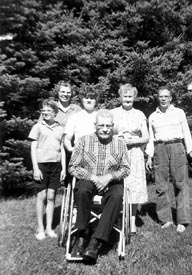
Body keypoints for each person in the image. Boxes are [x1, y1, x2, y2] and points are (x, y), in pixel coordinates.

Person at [68, 109, 130, 260]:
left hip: (112, 182)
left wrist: (109, 177)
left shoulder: (120, 143)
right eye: (101, 125)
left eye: (108, 126)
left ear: (113, 126)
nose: (105, 129)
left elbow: (126, 168)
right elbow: (73, 167)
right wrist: (94, 178)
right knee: (81, 190)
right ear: (95, 125)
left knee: (117, 196)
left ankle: (95, 242)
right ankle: (81, 235)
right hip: (89, 180)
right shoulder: (83, 140)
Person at [146, 87, 192, 233]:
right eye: (161, 96)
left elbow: (186, 131)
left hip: (177, 147)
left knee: (180, 183)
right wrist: (149, 156)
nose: (163, 99)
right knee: (161, 185)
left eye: (166, 96)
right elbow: (150, 138)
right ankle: (166, 219)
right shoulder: (153, 116)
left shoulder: (179, 113)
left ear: (170, 98)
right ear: (158, 98)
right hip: (159, 149)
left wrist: (190, 151)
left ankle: (182, 220)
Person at [110, 83, 149, 234]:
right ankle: (117, 219)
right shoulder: (112, 113)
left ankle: (132, 222)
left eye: (130, 96)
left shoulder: (139, 114)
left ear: (134, 97)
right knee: (118, 185)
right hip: (116, 153)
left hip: (135, 153)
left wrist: (132, 141)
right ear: (120, 97)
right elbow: (105, 133)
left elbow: (145, 137)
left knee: (134, 186)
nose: (127, 99)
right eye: (124, 96)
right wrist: (117, 137)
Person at [29, 98, 66, 240]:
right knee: (42, 196)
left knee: (51, 196)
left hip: (55, 165)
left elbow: (62, 149)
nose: (46, 113)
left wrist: (63, 168)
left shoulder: (60, 128)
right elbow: (33, 148)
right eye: (43, 111)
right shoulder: (38, 127)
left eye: (49, 111)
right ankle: (41, 229)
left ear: (55, 112)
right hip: (42, 165)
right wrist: (35, 168)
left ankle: (50, 228)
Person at [64, 88, 99, 153]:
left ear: (96, 101)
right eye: (86, 98)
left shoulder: (100, 116)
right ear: (82, 100)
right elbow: (67, 138)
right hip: (80, 154)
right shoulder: (74, 117)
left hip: (98, 153)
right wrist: (70, 149)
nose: (89, 100)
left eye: (92, 98)